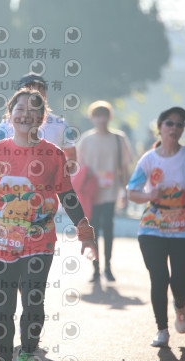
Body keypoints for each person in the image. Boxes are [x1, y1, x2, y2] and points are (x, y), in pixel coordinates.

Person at [0, 88, 97, 361]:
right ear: (10, 114)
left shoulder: (53, 154)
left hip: (39, 239)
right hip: (0, 240)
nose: (25, 114)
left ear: (41, 118)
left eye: (33, 110)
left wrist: (85, 232)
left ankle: (29, 354)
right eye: (19, 109)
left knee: (34, 302)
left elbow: (67, 194)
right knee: (4, 306)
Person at [127, 106, 185, 348]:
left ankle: (180, 304)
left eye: (179, 124)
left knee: (181, 283)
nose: (174, 128)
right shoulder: (148, 159)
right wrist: (149, 195)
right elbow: (132, 192)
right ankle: (162, 330)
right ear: (160, 127)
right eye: (170, 123)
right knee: (159, 278)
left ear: (183, 130)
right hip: (153, 227)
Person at [76, 100, 133, 283]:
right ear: (92, 118)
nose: (101, 119)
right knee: (93, 231)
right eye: (97, 115)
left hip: (110, 192)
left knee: (108, 228)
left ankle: (108, 267)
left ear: (110, 117)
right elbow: (77, 167)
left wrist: (125, 191)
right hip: (91, 193)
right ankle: (95, 269)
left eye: (104, 115)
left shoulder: (119, 138)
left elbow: (124, 167)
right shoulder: (86, 140)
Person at [0, 72, 77, 161]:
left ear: (45, 94)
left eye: (39, 90)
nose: (33, 94)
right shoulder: (5, 126)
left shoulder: (60, 124)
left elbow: (71, 156)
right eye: (28, 89)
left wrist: (56, 169)